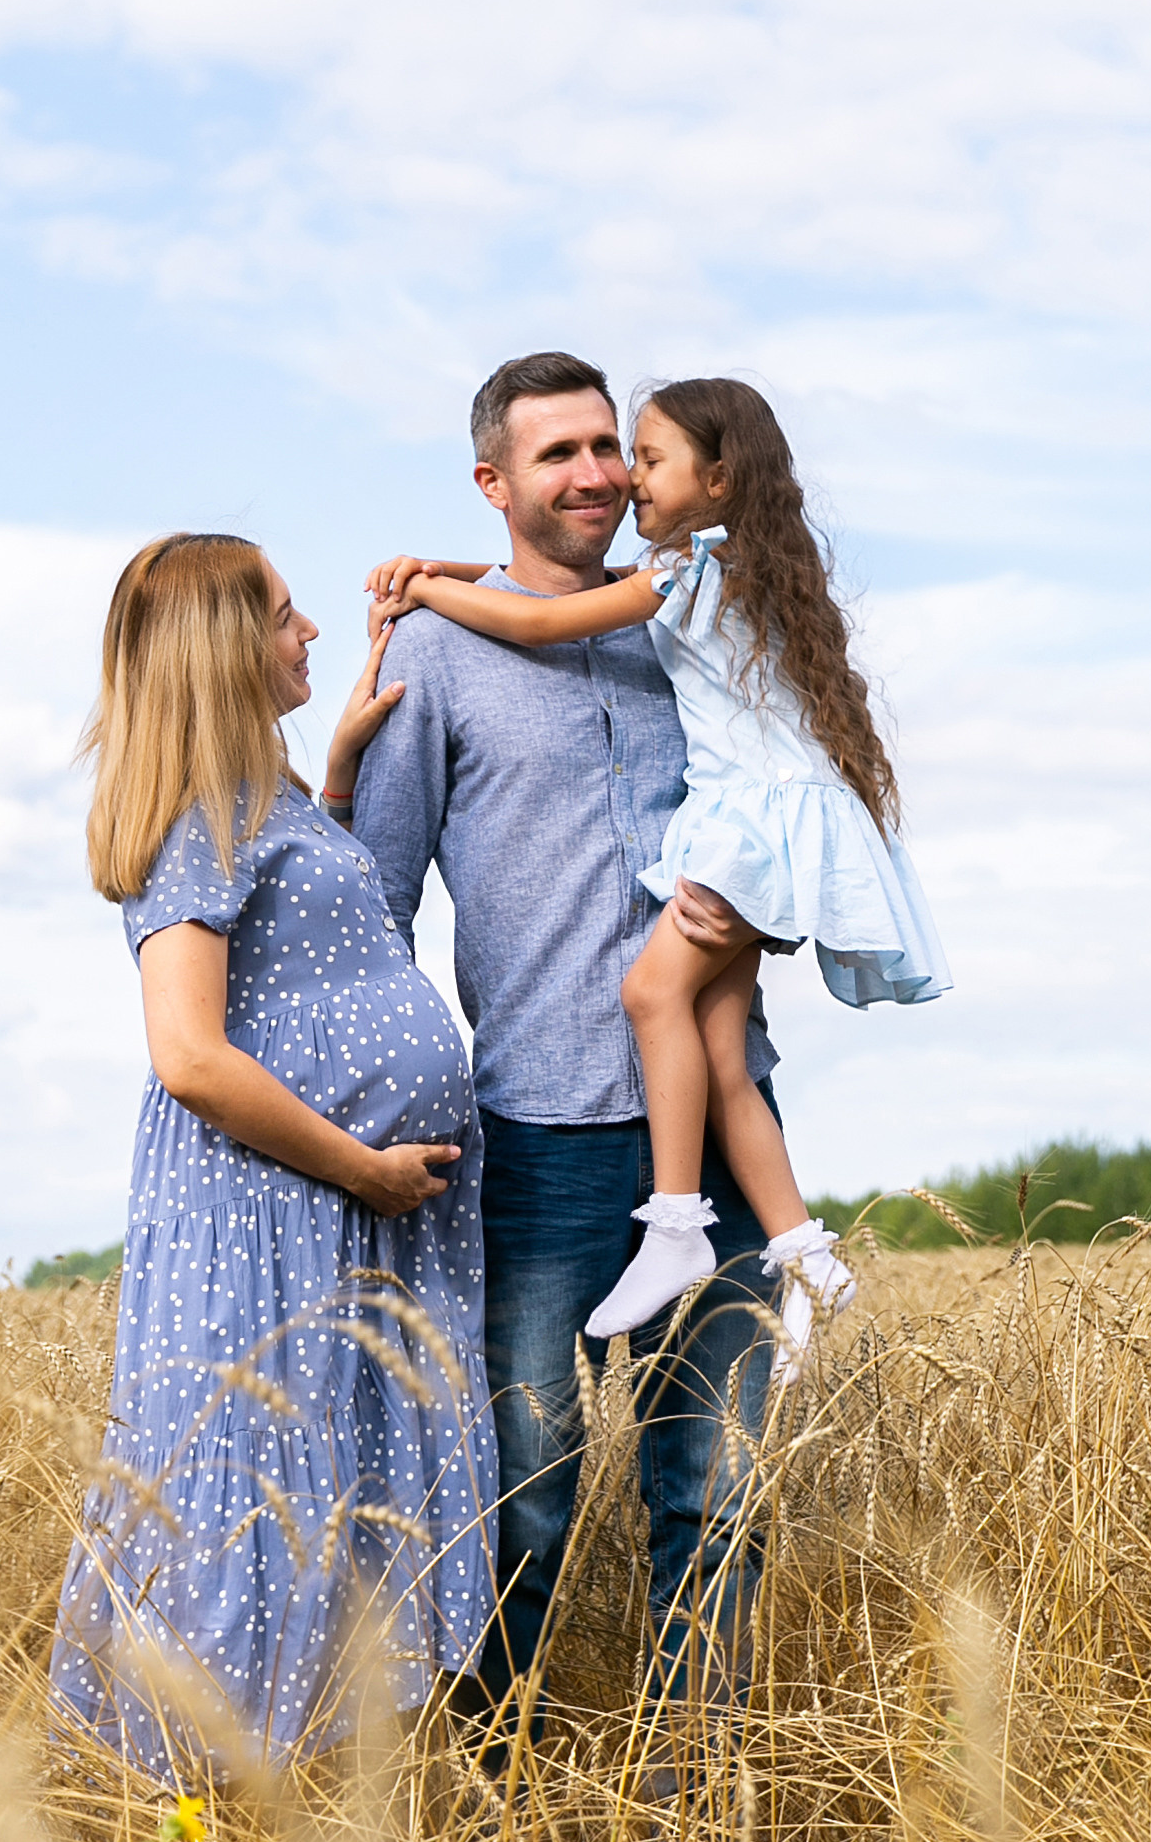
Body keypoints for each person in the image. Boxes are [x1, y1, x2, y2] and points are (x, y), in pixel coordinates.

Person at [349, 353, 782, 1746]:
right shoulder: (434, 648)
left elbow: (783, 794)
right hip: (531, 1138)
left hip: (716, 1132)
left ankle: (690, 1819)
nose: (595, 472)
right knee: (520, 1495)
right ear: (494, 483)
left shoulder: (690, 626)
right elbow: (375, 901)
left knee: (714, 1493)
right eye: (558, 456)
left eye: (610, 446)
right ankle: (482, 1801)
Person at [48, 532, 495, 1781]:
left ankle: (331, 1826)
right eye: (289, 617)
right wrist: (360, 1168)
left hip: (355, 1213)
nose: (310, 637)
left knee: (338, 1509)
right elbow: (189, 1054)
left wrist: (341, 773)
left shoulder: (273, 801)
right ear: (222, 648)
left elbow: (313, 957)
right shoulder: (193, 816)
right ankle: (209, 1834)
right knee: (261, 1514)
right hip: (286, 1213)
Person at [390, 374, 941, 1349]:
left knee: (653, 997)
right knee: (718, 1054)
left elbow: (542, 621)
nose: (618, 477)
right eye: (569, 454)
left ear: (716, 477)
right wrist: (454, 576)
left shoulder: (679, 577)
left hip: (740, 838)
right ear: (496, 479)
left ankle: (679, 1220)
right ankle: (804, 1250)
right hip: (566, 1082)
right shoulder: (722, 567)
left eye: (635, 455)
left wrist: (429, 585)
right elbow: (567, 602)